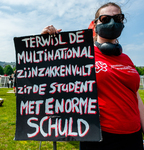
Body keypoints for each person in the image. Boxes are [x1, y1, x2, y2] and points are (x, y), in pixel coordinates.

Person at [41, 2, 144, 150]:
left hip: (133, 136)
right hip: (98, 136)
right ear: (95, 25)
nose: (112, 22)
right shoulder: (81, 55)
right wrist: (44, 44)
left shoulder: (127, 59)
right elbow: (51, 76)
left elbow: (135, 96)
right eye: (105, 19)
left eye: (118, 18)